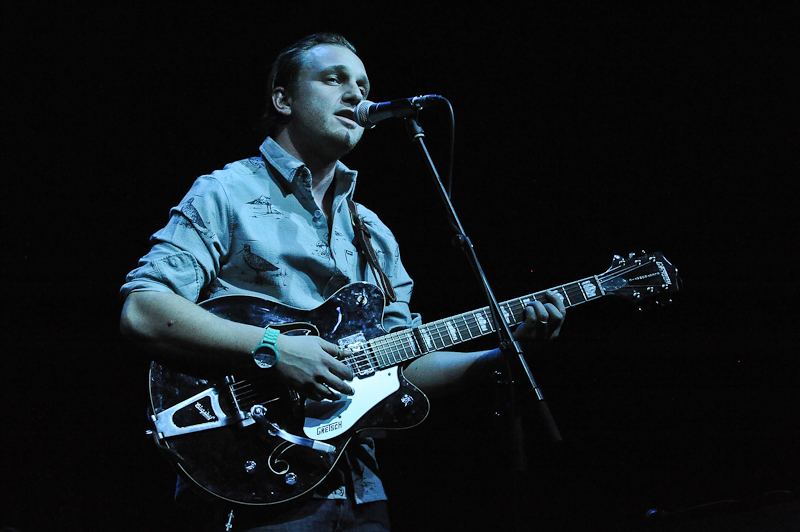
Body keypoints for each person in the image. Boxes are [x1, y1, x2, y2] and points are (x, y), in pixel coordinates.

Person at [120, 32, 566, 532]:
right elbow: (144, 310)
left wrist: (502, 351)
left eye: (363, 84)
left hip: (359, 484)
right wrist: (274, 348)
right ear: (283, 98)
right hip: (246, 472)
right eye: (334, 80)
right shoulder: (226, 192)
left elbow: (404, 362)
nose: (357, 94)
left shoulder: (373, 233)